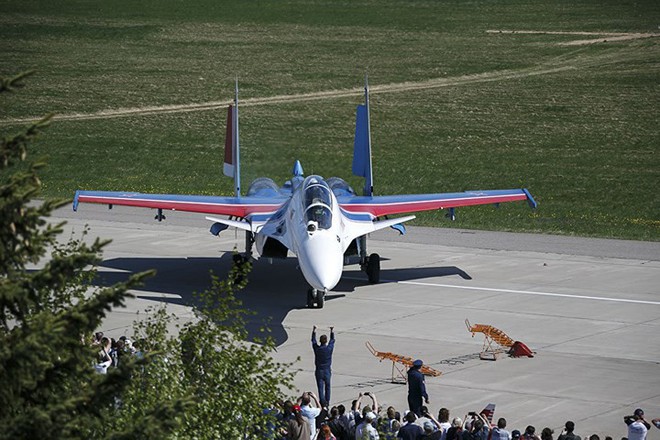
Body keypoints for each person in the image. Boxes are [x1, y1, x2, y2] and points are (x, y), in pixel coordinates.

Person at [312, 325, 335, 407]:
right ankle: (327, 401)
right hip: (327, 370)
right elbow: (332, 341)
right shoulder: (329, 349)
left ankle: (322, 402)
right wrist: (332, 331)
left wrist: (314, 331)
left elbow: (313, 341)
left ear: (320, 341)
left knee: (320, 388)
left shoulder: (317, 349)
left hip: (319, 370)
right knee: (328, 387)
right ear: (326, 341)